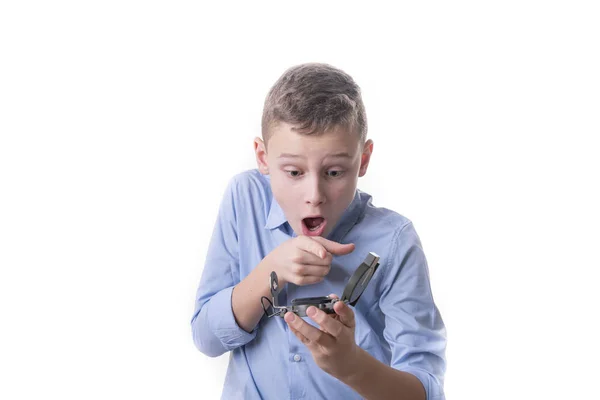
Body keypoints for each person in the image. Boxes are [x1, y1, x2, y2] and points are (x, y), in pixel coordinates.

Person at [191, 63, 447, 400]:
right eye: (294, 171)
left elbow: (426, 391)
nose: (314, 195)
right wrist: (271, 271)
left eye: (335, 172)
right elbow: (206, 338)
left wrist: (352, 366)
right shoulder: (245, 198)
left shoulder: (396, 241)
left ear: (364, 159)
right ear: (263, 157)